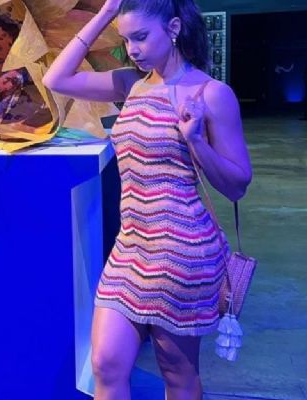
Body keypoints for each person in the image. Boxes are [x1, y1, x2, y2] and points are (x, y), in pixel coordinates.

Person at [42, 0, 253, 399]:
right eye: (125, 40)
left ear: (173, 28)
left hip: (182, 252)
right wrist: (105, 14)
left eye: (140, 37)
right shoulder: (130, 85)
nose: (132, 50)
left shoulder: (211, 94)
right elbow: (56, 78)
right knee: (106, 363)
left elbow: (237, 185)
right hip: (130, 248)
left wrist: (195, 141)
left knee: (177, 372)